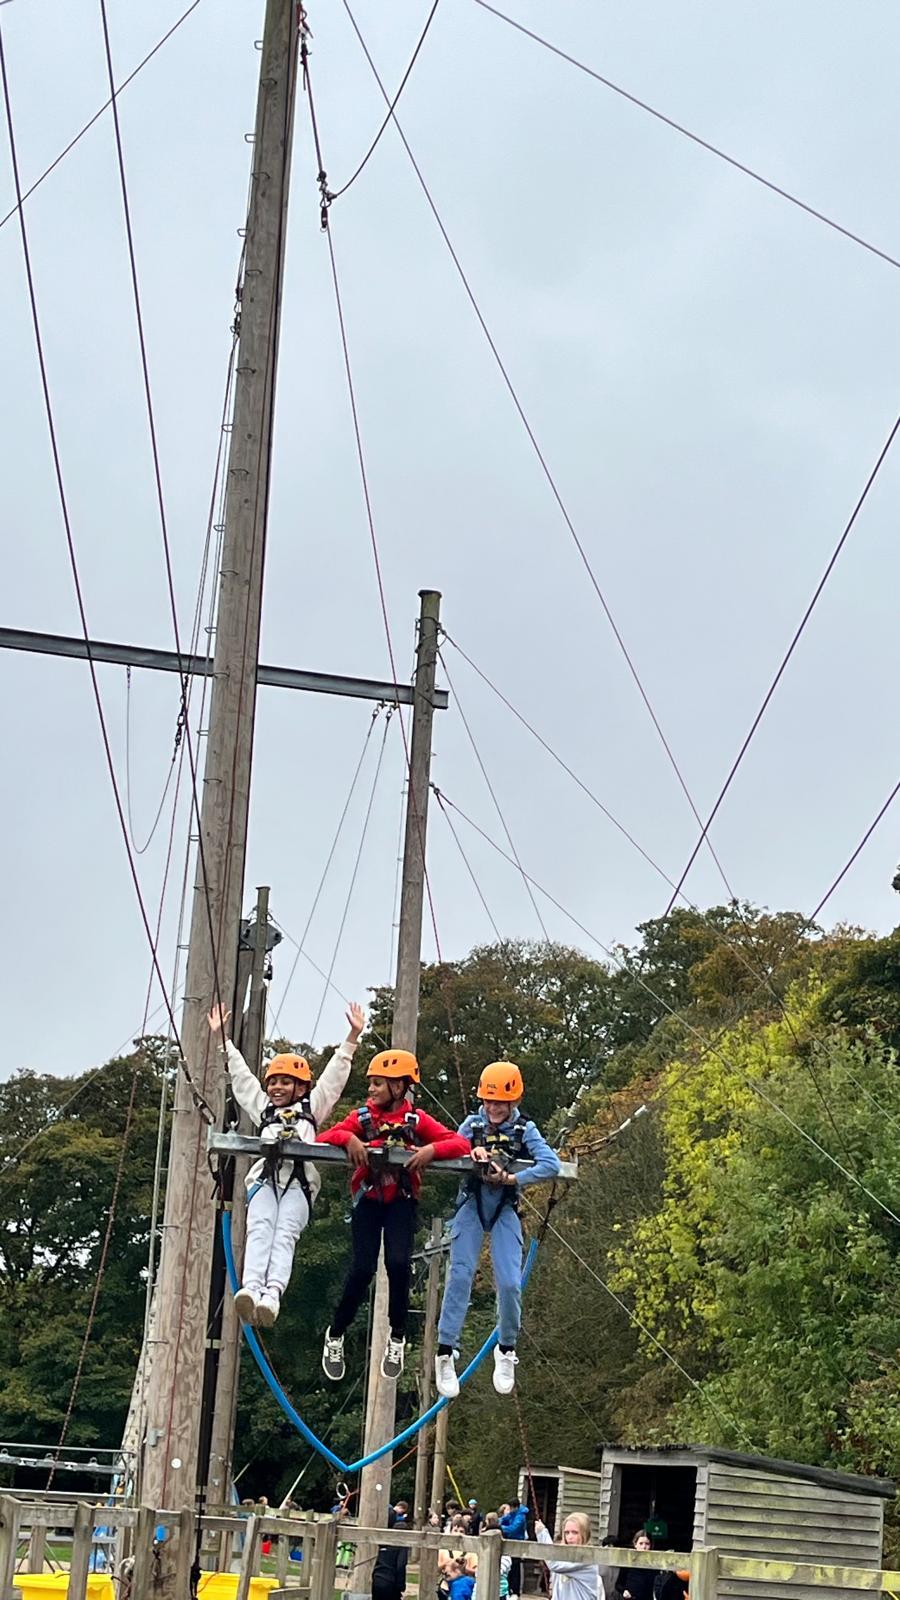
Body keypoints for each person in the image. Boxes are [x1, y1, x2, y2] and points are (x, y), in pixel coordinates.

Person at [208, 1000, 365, 1326]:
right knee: (260, 1228)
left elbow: (333, 1079)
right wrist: (224, 1042)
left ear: (302, 1087)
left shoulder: (312, 1108)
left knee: (284, 1235)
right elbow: (242, 1080)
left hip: (298, 1185)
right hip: (266, 1181)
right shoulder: (264, 1108)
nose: (276, 1087)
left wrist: (352, 1038)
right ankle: (251, 1288)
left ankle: (272, 1294)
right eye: (273, 1082)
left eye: (285, 1082)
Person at [318, 1048, 470, 1380]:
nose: (371, 1089)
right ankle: (337, 1332)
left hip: (401, 1200)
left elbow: (460, 1145)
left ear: (398, 1087)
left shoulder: (416, 1121)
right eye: (371, 1083)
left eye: (378, 1083)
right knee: (363, 1268)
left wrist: (430, 1150)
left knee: (399, 1264)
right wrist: (349, 1140)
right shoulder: (363, 1119)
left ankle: (397, 1334)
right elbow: (325, 1136)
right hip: (369, 1199)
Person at [435, 1062, 561, 1397]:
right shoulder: (473, 1124)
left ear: (513, 1101)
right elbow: (451, 1147)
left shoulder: (524, 1129)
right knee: (460, 1274)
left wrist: (513, 1178)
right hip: (472, 1204)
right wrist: (470, 1150)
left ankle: (506, 1348)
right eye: (489, 1101)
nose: (493, 1108)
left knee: (509, 1282)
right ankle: (446, 1351)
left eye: (500, 1103)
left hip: (505, 1206)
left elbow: (550, 1164)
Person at [536, 1515, 600, 1600]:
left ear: (584, 1534)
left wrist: (542, 1534)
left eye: (575, 1532)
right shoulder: (564, 1556)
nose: (570, 1537)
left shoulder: (586, 1557)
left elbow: (554, 1565)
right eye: (567, 1533)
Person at [616, 1531, 658, 1600]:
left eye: (647, 1544)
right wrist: (624, 1591)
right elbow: (619, 1584)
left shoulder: (654, 1564)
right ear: (635, 1544)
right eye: (641, 1543)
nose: (644, 1547)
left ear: (651, 1545)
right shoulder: (628, 1562)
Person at [500, 1499, 529, 1598]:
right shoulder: (513, 1514)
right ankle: (509, 1589)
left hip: (517, 1544)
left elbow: (513, 1529)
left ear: (515, 1507)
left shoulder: (520, 1517)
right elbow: (504, 1519)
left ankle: (515, 1591)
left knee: (515, 1568)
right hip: (510, 1544)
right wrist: (498, 1522)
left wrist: (501, 1528)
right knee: (510, 1568)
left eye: (511, 1508)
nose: (510, 1510)